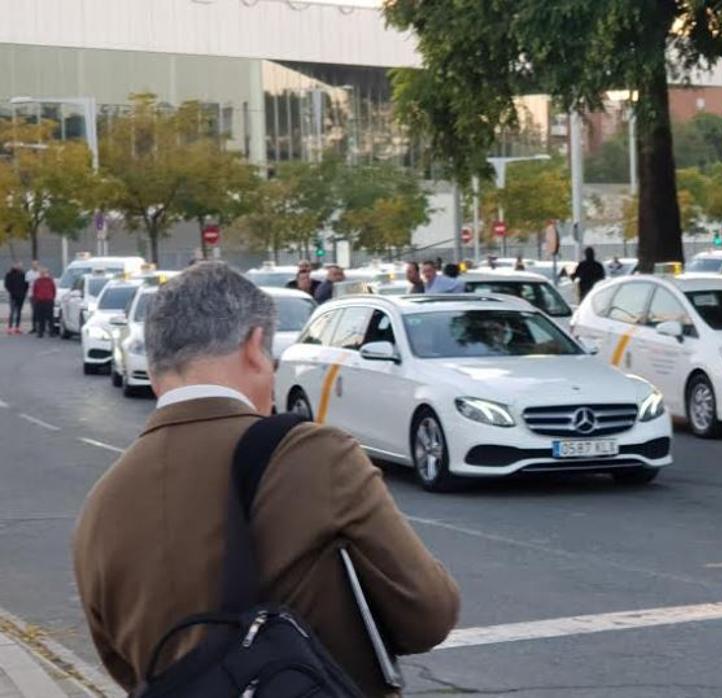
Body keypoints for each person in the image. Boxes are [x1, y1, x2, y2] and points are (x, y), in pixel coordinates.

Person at [71, 263, 459, 696]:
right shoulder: (313, 455)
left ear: (158, 360)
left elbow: (126, 669)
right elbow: (429, 615)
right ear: (256, 346)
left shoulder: (99, 507)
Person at [30, 269, 57, 338]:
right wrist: (36, 298)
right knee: (40, 318)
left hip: (48, 300)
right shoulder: (37, 281)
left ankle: (51, 332)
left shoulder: (50, 281)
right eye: (42, 273)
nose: (43, 274)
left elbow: (54, 290)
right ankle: (40, 332)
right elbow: (34, 291)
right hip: (40, 301)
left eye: (45, 273)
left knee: (50, 317)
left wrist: (51, 297)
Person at [5, 263, 27, 335]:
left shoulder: (23, 275)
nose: (19, 267)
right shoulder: (9, 274)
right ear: (14, 266)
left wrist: (23, 293)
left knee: (19, 312)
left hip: (21, 297)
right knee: (12, 312)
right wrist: (12, 292)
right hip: (13, 296)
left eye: (20, 266)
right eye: (18, 265)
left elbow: (26, 285)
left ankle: (17, 328)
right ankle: (10, 328)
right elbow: (7, 285)